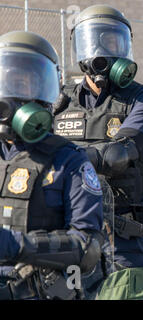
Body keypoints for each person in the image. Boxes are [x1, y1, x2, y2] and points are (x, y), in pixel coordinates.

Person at [52, 5, 143, 300]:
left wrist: (63, 158)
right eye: (96, 42)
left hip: (123, 235)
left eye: (113, 41)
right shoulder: (60, 100)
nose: (104, 51)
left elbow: (121, 154)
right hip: (71, 231)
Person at [0, 31, 103, 300]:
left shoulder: (69, 160)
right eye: (8, 83)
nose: (12, 94)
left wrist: (16, 246)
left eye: (25, 84)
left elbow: (87, 246)